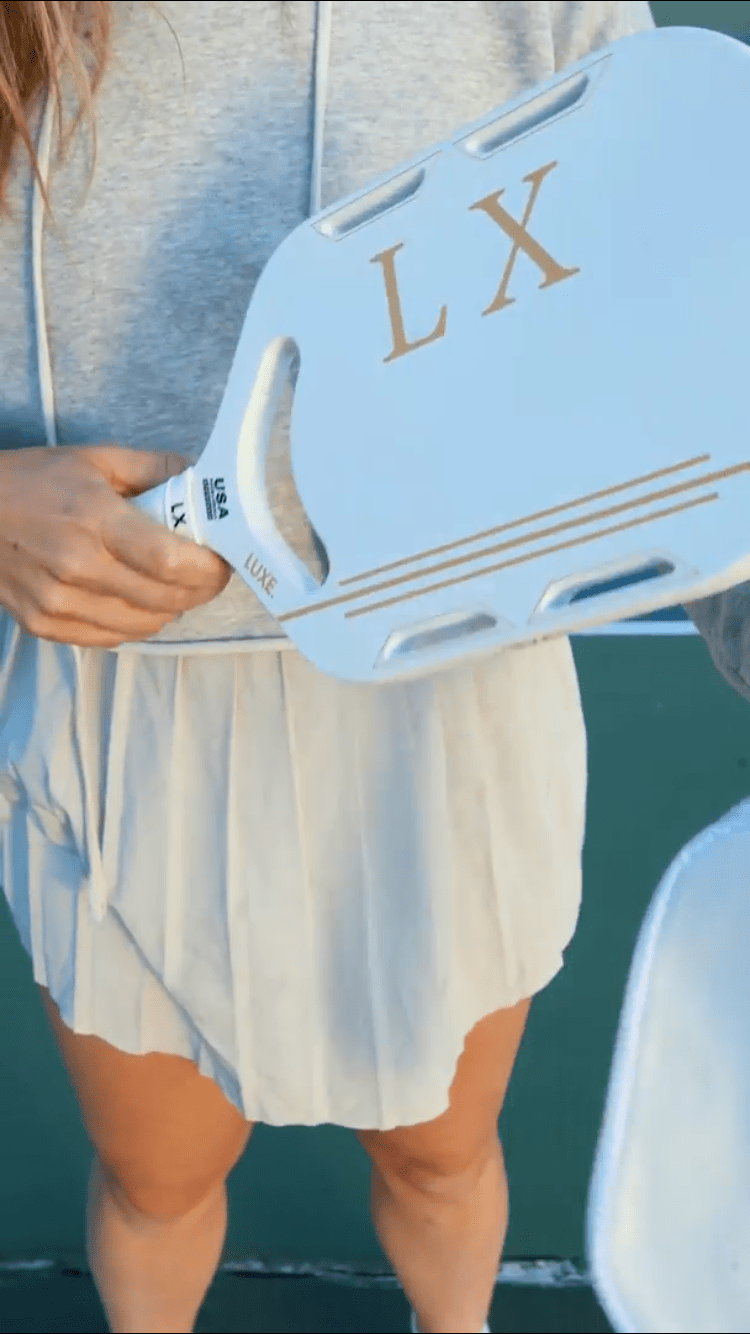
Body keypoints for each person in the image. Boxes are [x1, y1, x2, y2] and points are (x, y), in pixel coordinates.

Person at [0, 3, 655, 1332]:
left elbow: (660, 301)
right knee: (157, 1183)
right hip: (126, 695)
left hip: (446, 682)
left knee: (441, 1154)